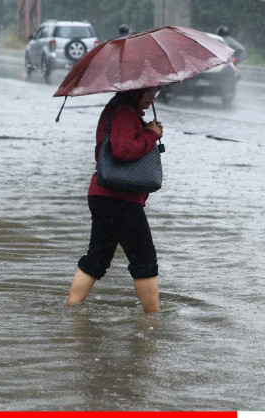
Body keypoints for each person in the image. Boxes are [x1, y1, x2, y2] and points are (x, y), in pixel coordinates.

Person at [68, 87, 164, 314]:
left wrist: (149, 131)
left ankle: (72, 311)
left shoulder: (122, 110)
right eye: (150, 92)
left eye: (156, 92)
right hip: (120, 199)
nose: (153, 97)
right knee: (144, 259)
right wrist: (151, 134)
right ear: (135, 91)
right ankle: (153, 320)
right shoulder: (123, 112)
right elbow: (122, 151)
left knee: (97, 259)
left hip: (105, 195)